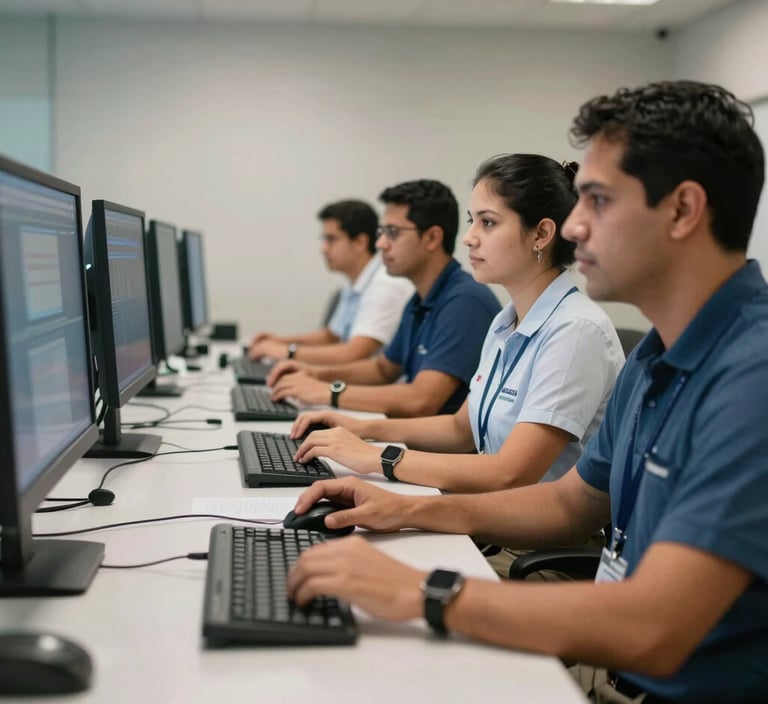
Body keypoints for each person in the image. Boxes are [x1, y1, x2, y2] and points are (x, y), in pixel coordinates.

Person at [286, 81, 768, 703]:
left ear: (682, 210)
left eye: (597, 199)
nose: (573, 225)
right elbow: (570, 505)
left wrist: (429, 592)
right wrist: (404, 507)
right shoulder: (658, 353)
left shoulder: (751, 376)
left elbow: (654, 627)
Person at [290, 154, 624, 494]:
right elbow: (459, 429)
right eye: (472, 221)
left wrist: (376, 458)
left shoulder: (575, 331)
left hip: (526, 542)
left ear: (541, 233)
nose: (469, 238)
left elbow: (511, 474)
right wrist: (362, 429)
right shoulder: (506, 320)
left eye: (488, 223)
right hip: (488, 517)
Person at [268, 180, 502, 417]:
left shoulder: (465, 301)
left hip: (440, 451)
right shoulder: (419, 299)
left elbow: (422, 400)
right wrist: (315, 374)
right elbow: (383, 369)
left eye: (393, 232)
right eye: (381, 232)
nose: (380, 243)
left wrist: (328, 391)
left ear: (432, 238)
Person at [248, 200, 412, 365]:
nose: (323, 249)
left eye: (331, 239)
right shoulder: (356, 283)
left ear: (360, 242)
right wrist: (280, 341)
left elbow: (353, 353)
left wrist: (284, 351)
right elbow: (332, 335)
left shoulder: (386, 285)